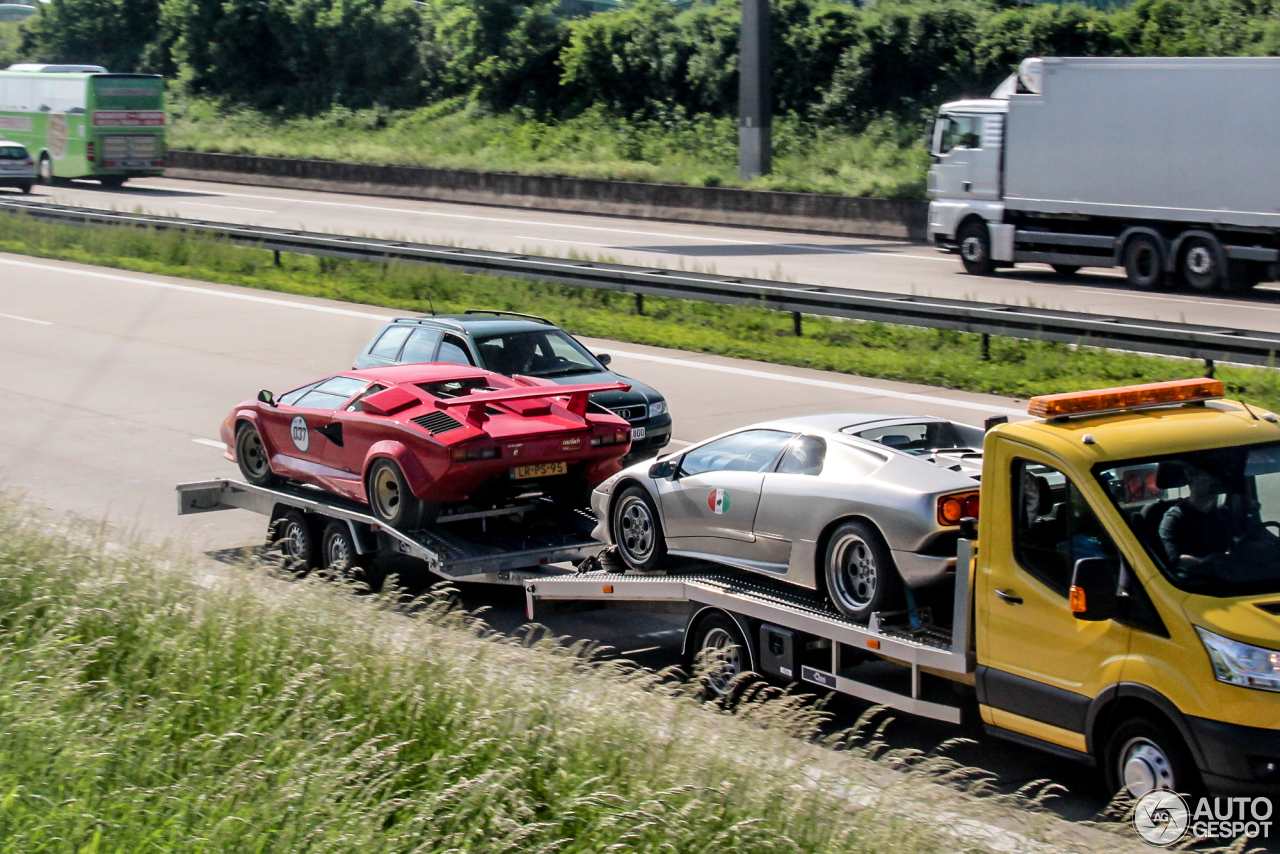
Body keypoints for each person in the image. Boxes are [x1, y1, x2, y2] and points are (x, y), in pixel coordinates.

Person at [1159, 466, 1241, 569]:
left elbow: (1239, 545)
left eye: (1215, 477)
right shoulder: (1174, 519)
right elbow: (1175, 560)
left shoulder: (1225, 515)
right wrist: (1205, 562)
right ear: (1190, 478)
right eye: (1207, 477)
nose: (1213, 482)